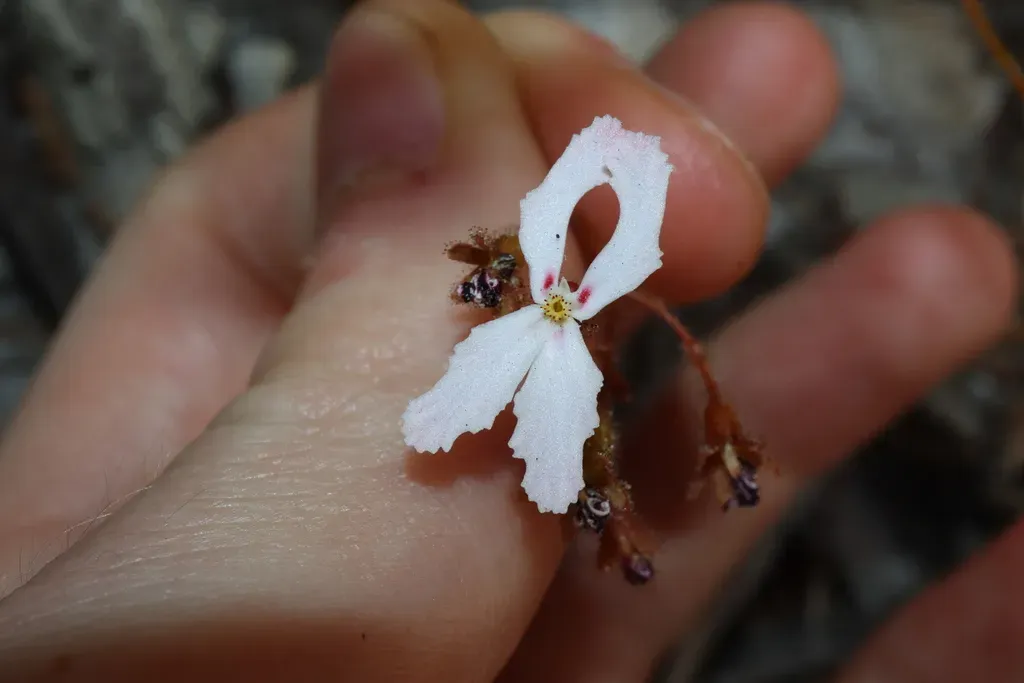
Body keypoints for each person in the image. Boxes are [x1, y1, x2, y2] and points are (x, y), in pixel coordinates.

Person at [0, 1, 1016, 680]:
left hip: (555, 321)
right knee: (492, 414)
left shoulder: (570, 301)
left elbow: (597, 202)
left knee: (553, 428)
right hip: (537, 309)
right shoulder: (536, 287)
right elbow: (472, 371)